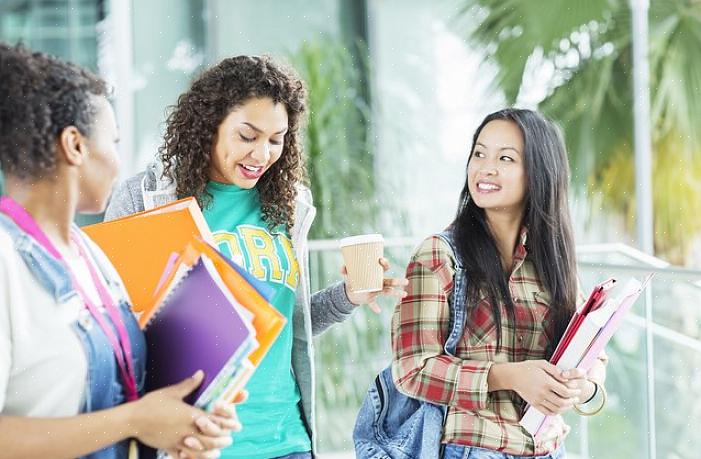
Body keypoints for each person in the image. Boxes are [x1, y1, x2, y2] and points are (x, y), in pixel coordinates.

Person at [104, 55, 408, 459]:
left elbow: (285, 325)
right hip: (194, 444)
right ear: (209, 125)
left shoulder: (287, 206)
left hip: (286, 441)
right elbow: (115, 332)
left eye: (276, 139)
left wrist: (348, 296)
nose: (262, 154)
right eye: (247, 135)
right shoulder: (146, 199)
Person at [0, 43, 241, 459]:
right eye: (112, 140)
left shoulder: (90, 255)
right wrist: (134, 421)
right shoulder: (5, 261)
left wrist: (178, 425)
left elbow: (120, 400)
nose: (118, 160)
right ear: (74, 145)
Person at [390, 109, 608, 459]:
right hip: (470, 448)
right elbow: (412, 371)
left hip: (548, 448)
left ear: (539, 173)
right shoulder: (439, 255)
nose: (485, 168)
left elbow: (592, 354)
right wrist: (508, 376)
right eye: (479, 153)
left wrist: (584, 386)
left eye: (505, 158)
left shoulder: (552, 262)